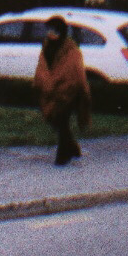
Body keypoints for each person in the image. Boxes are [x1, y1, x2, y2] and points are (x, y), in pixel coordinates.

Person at [35, 14, 91, 166]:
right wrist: (45, 82)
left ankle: (62, 156)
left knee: (62, 121)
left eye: (54, 30)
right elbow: (42, 67)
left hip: (69, 92)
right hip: (52, 91)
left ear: (61, 31)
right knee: (58, 122)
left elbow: (73, 71)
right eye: (48, 30)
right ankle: (73, 148)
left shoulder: (71, 49)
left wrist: (59, 83)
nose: (50, 33)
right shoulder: (47, 46)